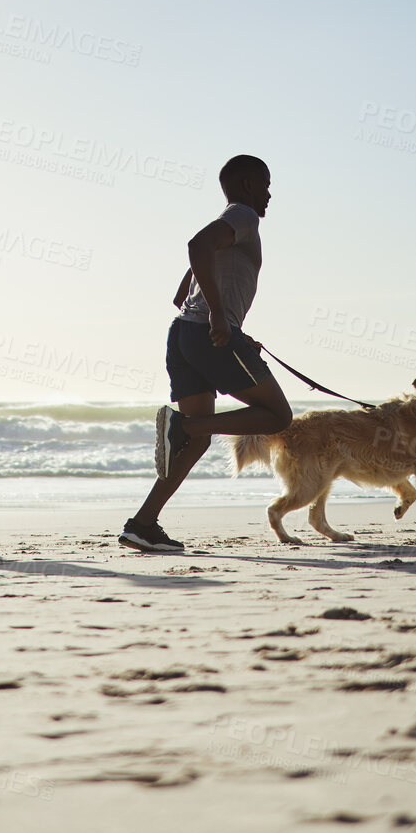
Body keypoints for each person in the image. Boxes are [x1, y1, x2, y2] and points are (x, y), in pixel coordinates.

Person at [120, 154, 293, 552]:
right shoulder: (242, 217)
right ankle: (182, 426)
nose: (269, 195)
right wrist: (219, 316)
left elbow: (182, 295)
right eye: (265, 185)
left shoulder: (228, 227)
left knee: (196, 441)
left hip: (184, 333)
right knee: (278, 415)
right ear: (248, 184)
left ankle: (143, 524)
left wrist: (225, 319)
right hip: (208, 333)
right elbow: (196, 245)